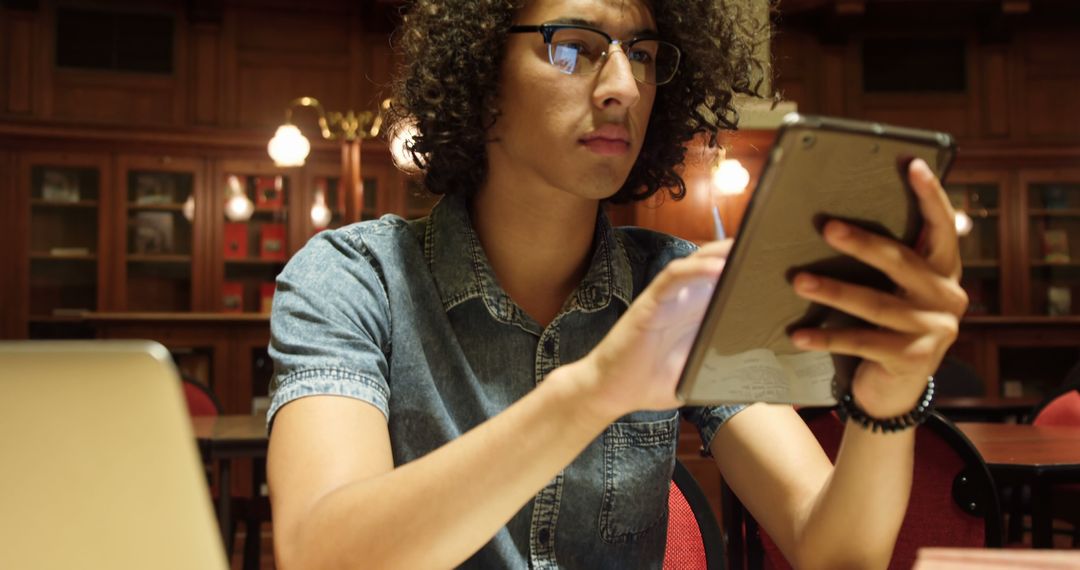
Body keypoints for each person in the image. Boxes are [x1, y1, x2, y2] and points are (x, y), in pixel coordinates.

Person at [265, 0, 968, 568]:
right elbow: (323, 555)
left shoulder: (673, 281)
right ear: (482, 78)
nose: (624, 87)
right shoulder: (353, 279)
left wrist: (886, 404)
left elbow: (833, 550)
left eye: (642, 54)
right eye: (572, 45)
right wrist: (595, 389)